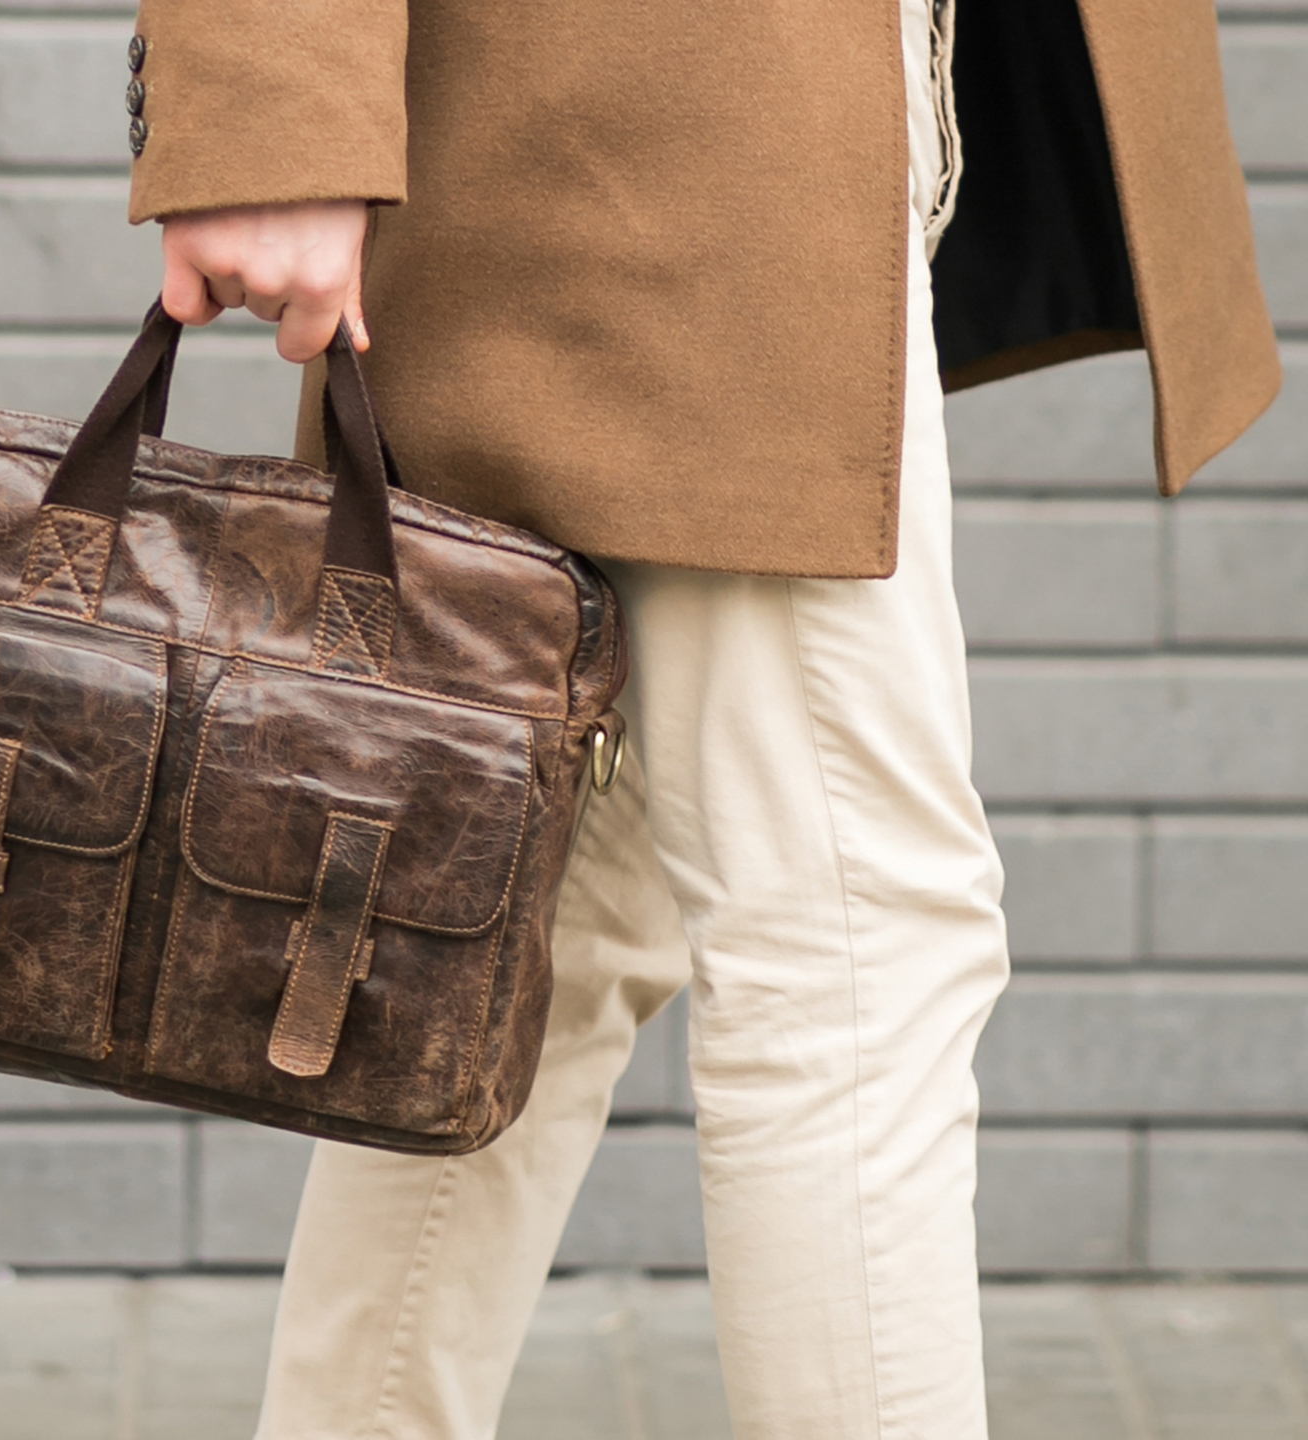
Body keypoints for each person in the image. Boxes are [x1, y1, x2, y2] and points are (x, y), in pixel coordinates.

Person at [123, 0, 1280, 1432]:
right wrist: (270, 101)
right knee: (855, 946)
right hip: (680, 124)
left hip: (704, 116)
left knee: (510, 932)